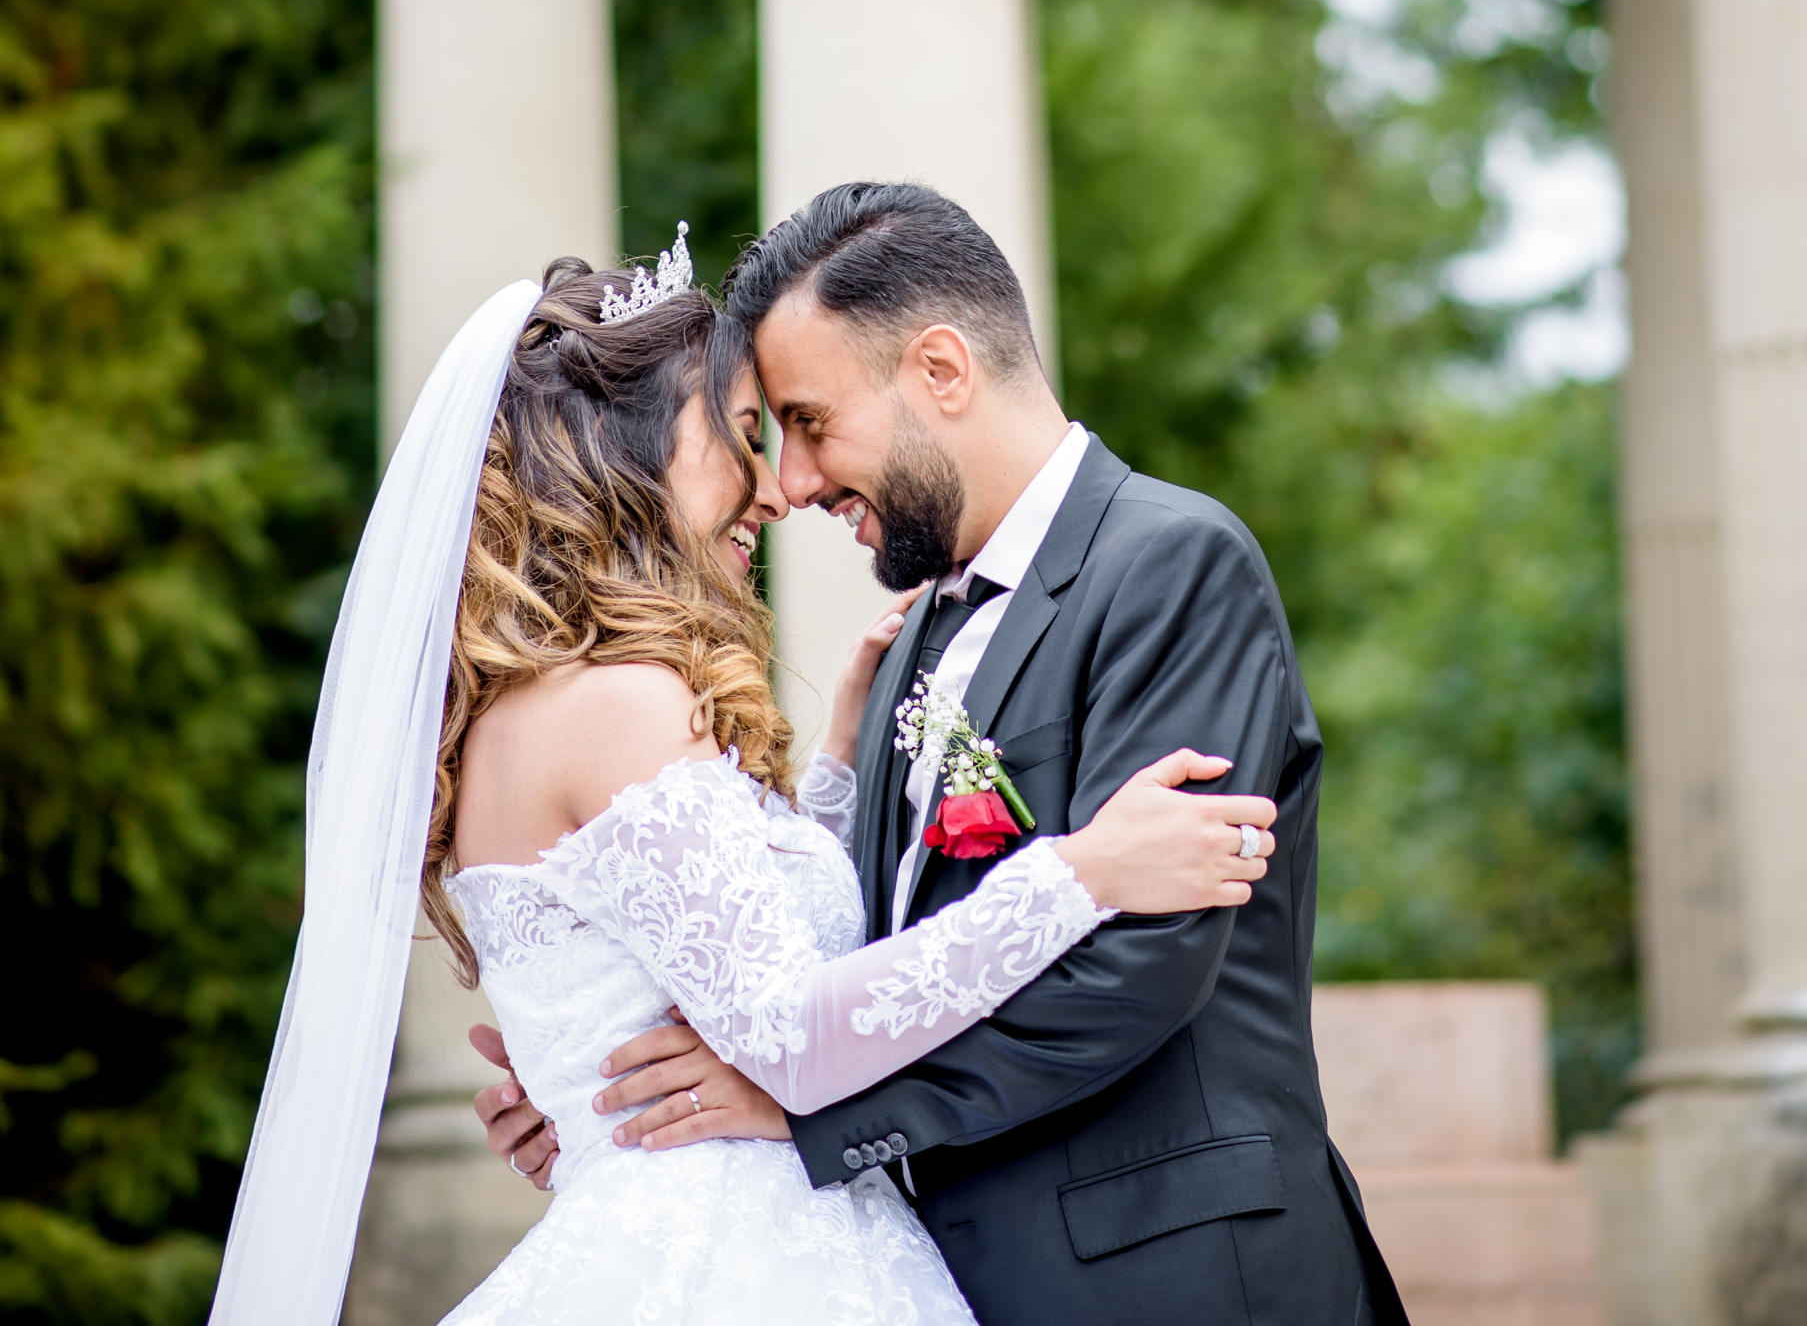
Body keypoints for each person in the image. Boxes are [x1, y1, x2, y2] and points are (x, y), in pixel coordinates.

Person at [211, 237, 1277, 1326]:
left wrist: (836, 769)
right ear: (623, 450)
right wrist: (1078, 872)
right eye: (744, 437)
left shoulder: (524, 711)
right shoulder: (620, 703)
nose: (776, 489)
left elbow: (721, 938)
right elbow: (794, 1042)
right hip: (748, 1257)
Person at [481, 185, 1408, 1326]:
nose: (798, 482)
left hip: (1173, 1266)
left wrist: (798, 1108)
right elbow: (854, 950)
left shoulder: (1172, 565)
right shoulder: (913, 640)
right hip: (953, 1268)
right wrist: (601, 1077)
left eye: (811, 422)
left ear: (940, 371)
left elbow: (1140, 964)